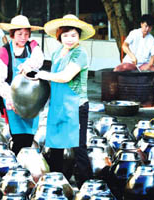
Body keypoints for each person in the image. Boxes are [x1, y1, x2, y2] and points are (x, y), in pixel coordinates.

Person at [36, 14, 95, 188]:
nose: (69, 39)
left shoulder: (80, 53)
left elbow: (65, 76)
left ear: (79, 36)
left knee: (78, 148)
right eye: (65, 35)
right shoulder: (56, 53)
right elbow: (52, 78)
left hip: (76, 106)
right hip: (58, 105)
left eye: (73, 35)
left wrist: (43, 74)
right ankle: (56, 184)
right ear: (59, 36)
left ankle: (87, 187)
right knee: (55, 145)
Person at [0, 15, 44, 155]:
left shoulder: (32, 46)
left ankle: (25, 162)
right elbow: (0, 81)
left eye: (26, 34)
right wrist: (12, 100)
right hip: (11, 98)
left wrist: (27, 66)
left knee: (29, 135)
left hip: (31, 98)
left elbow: (39, 59)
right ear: (12, 34)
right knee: (18, 136)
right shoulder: (4, 52)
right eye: (20, 34)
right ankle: (16, 164)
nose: (23, 37)